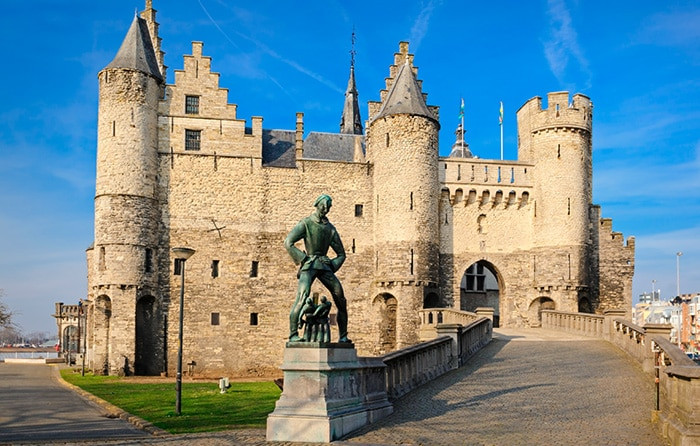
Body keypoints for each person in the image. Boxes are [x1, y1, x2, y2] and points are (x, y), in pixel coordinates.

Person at [284, 194, 351, 343]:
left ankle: (343, 336)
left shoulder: (330, 229)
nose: (326, 208)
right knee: (302, 295)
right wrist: (303, 259)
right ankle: (293, 334)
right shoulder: (307, 223)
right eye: (324, 205)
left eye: (329, 206)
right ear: (317, 205)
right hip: (309, 264)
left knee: (340, 296)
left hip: (324, 265)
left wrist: (332, 264)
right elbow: (288, 242)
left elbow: (341, 254)